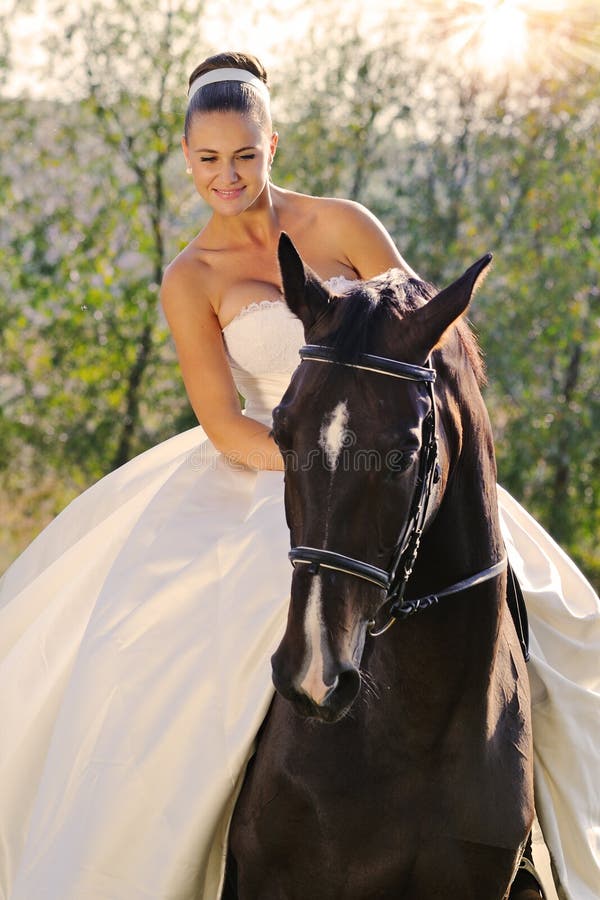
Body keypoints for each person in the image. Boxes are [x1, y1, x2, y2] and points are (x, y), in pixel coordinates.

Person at [0, 51, 598, 900]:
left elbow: (422, 337)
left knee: (545, 609)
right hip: (270, 462)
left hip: (387, 455)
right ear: (186, 159)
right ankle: (180, 841)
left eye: (244, 154)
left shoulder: (344, 225)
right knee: (175, 655)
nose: (227, 175)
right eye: (208, 159)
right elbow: (221, 419)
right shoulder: (191, 279)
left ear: (272, 143)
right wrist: (323, 466)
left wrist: (374, 464)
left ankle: (537, 840)